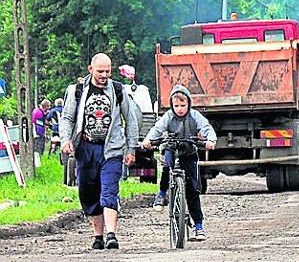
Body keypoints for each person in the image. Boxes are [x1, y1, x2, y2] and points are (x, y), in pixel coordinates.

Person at [59, 53, 139, 250]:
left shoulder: (118, 90)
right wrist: (65, 140)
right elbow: (67, 118)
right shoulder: (76, 90)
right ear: (90, 69)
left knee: (109, 190)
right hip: (86, 148)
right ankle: (98, 236)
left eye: (108, 71)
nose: (104, 75)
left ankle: (111, 234)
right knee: (89, 192)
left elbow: (131, 120)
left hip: (111, 148)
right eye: (100, 71)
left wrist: (131, 148)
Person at [141, 85, 216, 241]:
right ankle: (161, 194)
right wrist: (148, 139)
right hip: (171, 149)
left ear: (189, 104)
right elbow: (157, 128)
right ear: (171, 105)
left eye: (183, 105)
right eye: (176, 106)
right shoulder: (168, 116)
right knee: (167, 167)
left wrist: (210, 140)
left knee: (193, 190)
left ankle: (199, 226)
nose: (180, 109)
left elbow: (206, 127)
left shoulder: (195, 116)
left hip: (189, 152)